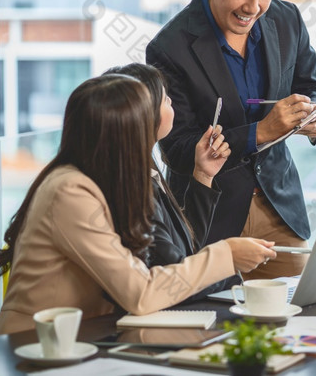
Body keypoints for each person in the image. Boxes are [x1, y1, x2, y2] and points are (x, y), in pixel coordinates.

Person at [0, 75, 275, 335]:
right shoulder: (70, 191)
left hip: (83, 337)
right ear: (127, 133)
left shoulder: (101, 179)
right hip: (35, 345)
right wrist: (226, 255)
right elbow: (140, 292)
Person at [146, 0, 316, 279]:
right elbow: (177, 149)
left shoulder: (287, 18)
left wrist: (315, 112)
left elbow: (314, 83)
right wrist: (260, 132)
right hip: (208, 214)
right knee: (214, 324)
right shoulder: (169, 47)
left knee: (299, 317)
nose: (254, 7)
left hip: (279, 207)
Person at [102, 63, 239, 300]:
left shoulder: (144, 171)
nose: (172, 103)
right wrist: (230, 269)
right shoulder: (129, 187)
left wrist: (203, 175)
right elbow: (173, 273)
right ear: (142, 112)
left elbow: (185, 245)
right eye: (165, 99)